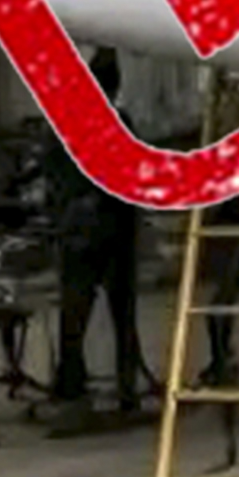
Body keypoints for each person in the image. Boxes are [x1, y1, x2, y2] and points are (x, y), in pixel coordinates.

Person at [44, 47, 147, 433]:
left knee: (75, 317)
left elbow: (52, 174)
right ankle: (125, 392)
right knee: (120, 318)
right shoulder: (119, 122)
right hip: (112, 231)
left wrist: (65, 211)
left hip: (81, 233)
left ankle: (74, 393)